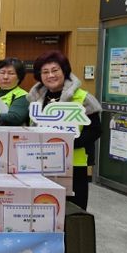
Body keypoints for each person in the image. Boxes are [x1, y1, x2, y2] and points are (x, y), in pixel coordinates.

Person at [28, 50, 101, 210]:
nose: (50, 75)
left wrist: (67, 144)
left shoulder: (82, 97)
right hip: (41, 163)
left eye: (55, 70)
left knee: (72, 210)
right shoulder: (36, 98)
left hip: (74, 164)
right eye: (45, 72)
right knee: (43, 207)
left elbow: (95, 130)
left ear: (64, 71)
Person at [0, 57, 29, 126]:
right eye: (2, 72)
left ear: (19, 77)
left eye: (11, 73)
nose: (5, 77)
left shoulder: (23, 96)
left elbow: (14, 118)